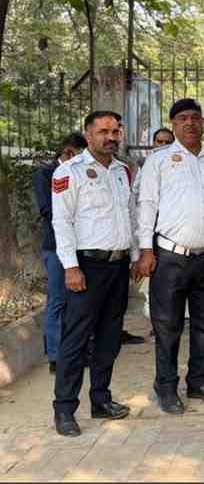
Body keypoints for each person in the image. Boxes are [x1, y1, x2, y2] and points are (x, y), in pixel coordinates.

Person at [134, 98, 204, 414]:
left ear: (203, 122)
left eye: (195, 117)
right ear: (174, 124)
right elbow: (146, 205)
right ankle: (166, 387)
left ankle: (198, 381)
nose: (190, 123)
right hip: (170, 257)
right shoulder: (159, 160)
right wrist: (145, 250)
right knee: (168, 326)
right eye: (183, 118)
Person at [50, 111, 134, 436]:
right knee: (75, 341)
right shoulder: (69, 171)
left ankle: (101, 400)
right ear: (88, 135)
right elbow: (62, 222)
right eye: (103, 131)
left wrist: (135, 256)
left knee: (110, 339)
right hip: (87, 267)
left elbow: (129, 216)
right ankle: (64, 409)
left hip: (118, 266)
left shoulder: (122, 171)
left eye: (115, 131)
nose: (110, 137)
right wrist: (71, 267)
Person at [34, 132, 87, 375]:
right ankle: (56, 357)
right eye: (79, 156)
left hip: (81, 245)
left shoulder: (80, 172)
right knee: (57, 300)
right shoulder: (45, 174)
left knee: (77, 301)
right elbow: (47, 209)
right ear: (68, 152)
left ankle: (75, 351)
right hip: (56, 247)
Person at [133, 127, 175, 324]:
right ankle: (157, 319)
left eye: (168, 142)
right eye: (159, 142)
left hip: (172, 233)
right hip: (150, 232)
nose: (163, 145)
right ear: (153, 144)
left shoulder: (179, 165)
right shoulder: (147, 166)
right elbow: (136, 197)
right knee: (153, 277)